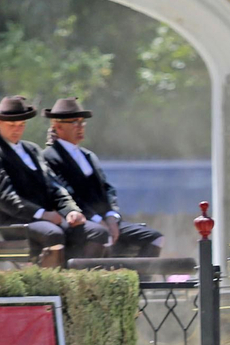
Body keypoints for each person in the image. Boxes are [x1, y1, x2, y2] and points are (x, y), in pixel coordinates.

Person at [0, 94, 108, 268]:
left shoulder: (33, 150)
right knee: (53, 233)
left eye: (21, 125)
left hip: (49, 219)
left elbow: (54, 186)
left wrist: (70, 210)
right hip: (17, 222)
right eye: (11, 125)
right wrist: (41, 214)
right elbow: (5, 197)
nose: (17, 129)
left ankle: (79, 277)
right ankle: (52, 281)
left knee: (96, 232)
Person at [40, 98, 163, 258]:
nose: (80, 127)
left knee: (154, 238)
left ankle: (138, 275)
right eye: (74, 122)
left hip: (106, 220)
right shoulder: (49, 157)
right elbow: (66, 194)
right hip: (78, 223)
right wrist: (97, 219)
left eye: (82, 122)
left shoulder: (88, 155)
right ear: (58, 126)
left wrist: (112, 216)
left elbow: (107, 189)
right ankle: (89, 272)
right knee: (100, 234)